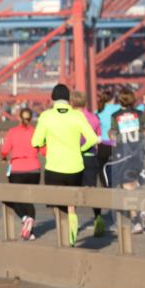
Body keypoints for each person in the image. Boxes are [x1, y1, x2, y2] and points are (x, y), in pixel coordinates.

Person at [31, 84, 98, 247]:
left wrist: (47, 140)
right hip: (75, 166)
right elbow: (92, 139)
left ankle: (63, 239)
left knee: (57, 204)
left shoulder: (46, 116)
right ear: (68, 99)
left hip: (54, 167)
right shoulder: (77, 115)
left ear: (52, 98)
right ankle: (72, 234)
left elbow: (35, 141)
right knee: (71, 205)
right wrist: (80, 149)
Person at [104, 90, 145, 234]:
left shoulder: (115, 116)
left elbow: (113, 134)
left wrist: (116, 138)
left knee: (128, 187)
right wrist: (140, 136)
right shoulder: (139, 114)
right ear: (133, 100)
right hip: (138, 153)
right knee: (139, 183)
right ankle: (144, 210)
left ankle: (137, 223)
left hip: (124, 154)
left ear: (120, 101)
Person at [0, 107, 42, 240]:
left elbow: (4, 150)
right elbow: (44, 151)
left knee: (12, 197)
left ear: (19, 117)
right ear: (31, 118)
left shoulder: (12, 132)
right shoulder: (35, 132)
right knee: (29, 200)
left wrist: (3, 158)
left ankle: (25, 218)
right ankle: (31, 232)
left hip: (17, 170)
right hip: (34, 170)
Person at [71, 91, 106, 237]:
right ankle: (98, 219)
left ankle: (72, 227)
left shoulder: (70, 118)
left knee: (71, 191)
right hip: (91, 157)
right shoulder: (94, 118)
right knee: (92, 190)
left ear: (72, 103)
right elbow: (99, 138)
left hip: (73, 156)